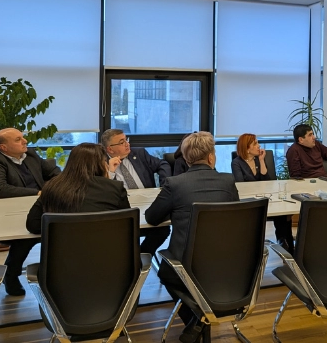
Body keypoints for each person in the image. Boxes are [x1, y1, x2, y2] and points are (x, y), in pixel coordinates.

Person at [144, 132, 239, 343]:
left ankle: (196, 319)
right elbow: (234, 213)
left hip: (185, 263)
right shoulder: (228, 180)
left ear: (186, 159)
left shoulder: (175, 184)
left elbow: (151, 217)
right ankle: (200, 320)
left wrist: (174, 209)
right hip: (225, 261)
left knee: (165, 273)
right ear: (211, 157)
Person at [0, 128, 62, 296]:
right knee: (26, 237)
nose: (25, 141)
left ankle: (55, 274)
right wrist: (38, 192)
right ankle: (11, 275)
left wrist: (51, 189)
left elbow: (55, 174)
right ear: (4, 147)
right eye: (18, 139)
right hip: (12, 213)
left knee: (59, 229)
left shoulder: (31, 155)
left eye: (23, 137)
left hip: (40, 208)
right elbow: (0, 189)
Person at [25, 143, 128, 233]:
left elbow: (33, 225)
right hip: (106, 247)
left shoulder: (52, 187)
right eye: (104, 161)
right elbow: (128, 223)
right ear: (99, 164)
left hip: (63, 248)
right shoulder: (114, 188)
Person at [101, 129, 172, 258]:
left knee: (163, 229)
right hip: (122, 211)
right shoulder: (101, 163)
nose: (127, 144)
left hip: (147, 206)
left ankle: (140, 256)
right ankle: (129, 259)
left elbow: (162, 164)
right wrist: (110, 173)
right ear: (110, 149)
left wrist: (164, 185)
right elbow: (102, 190)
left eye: (126, 140)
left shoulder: (139, 154)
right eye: (121, 142)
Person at [231, 133, 294, 254]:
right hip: (250, 201)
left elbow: (267, 181)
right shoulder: (236, 163)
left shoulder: (258, 159)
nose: (259, 146)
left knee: (284, 213)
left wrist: (261, 160)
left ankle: (286, 244)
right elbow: (241, 185)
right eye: (255, 143)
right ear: (247, 148)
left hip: (265, 197)